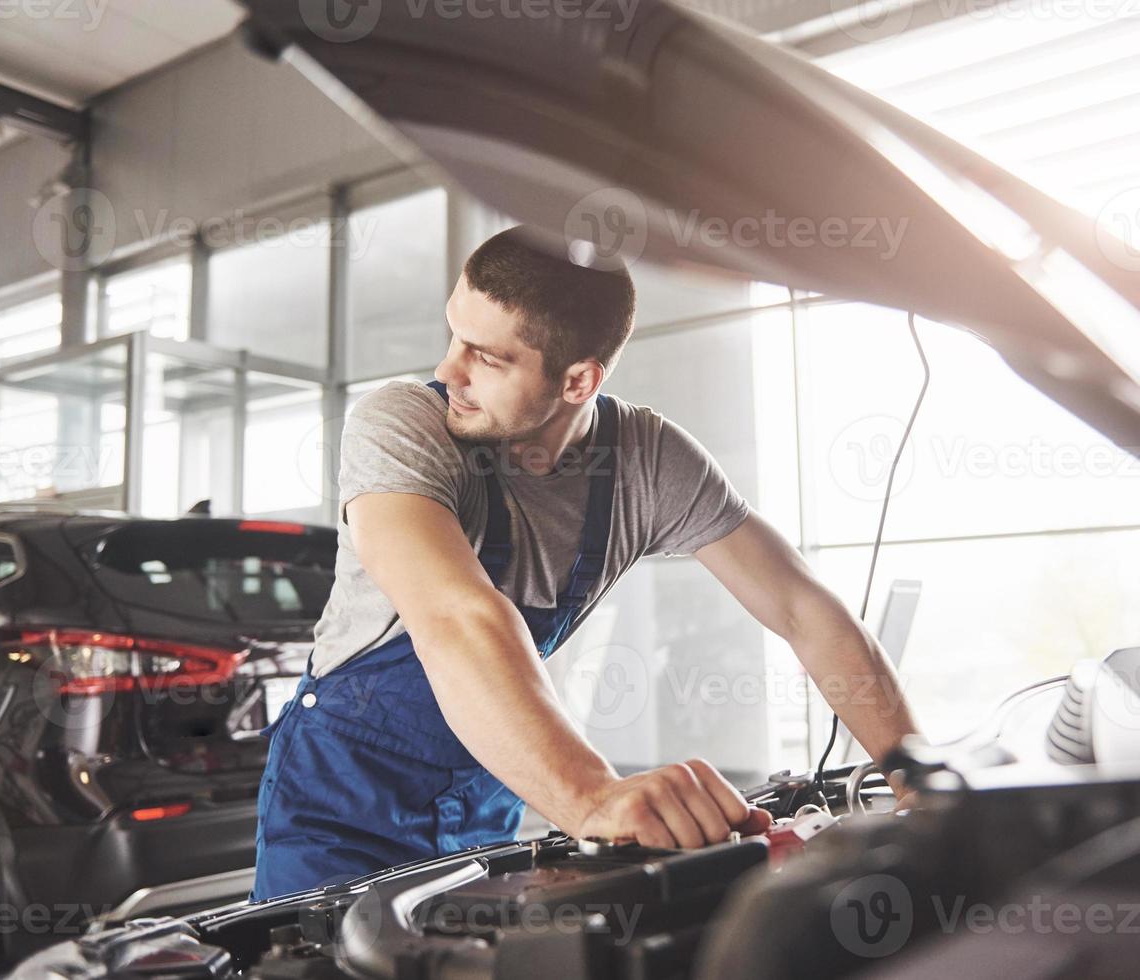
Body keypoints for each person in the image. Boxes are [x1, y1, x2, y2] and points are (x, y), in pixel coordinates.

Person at [251, 225, 921, 899]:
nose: (448, 370)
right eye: (454, 335)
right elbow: (457, 617)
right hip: (337, 806)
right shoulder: (400, 425)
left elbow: (806, 610)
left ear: (578, 381)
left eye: (487, 357)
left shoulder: (647, 461)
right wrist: (591, 796)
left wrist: (922, 780)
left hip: (486, 802)